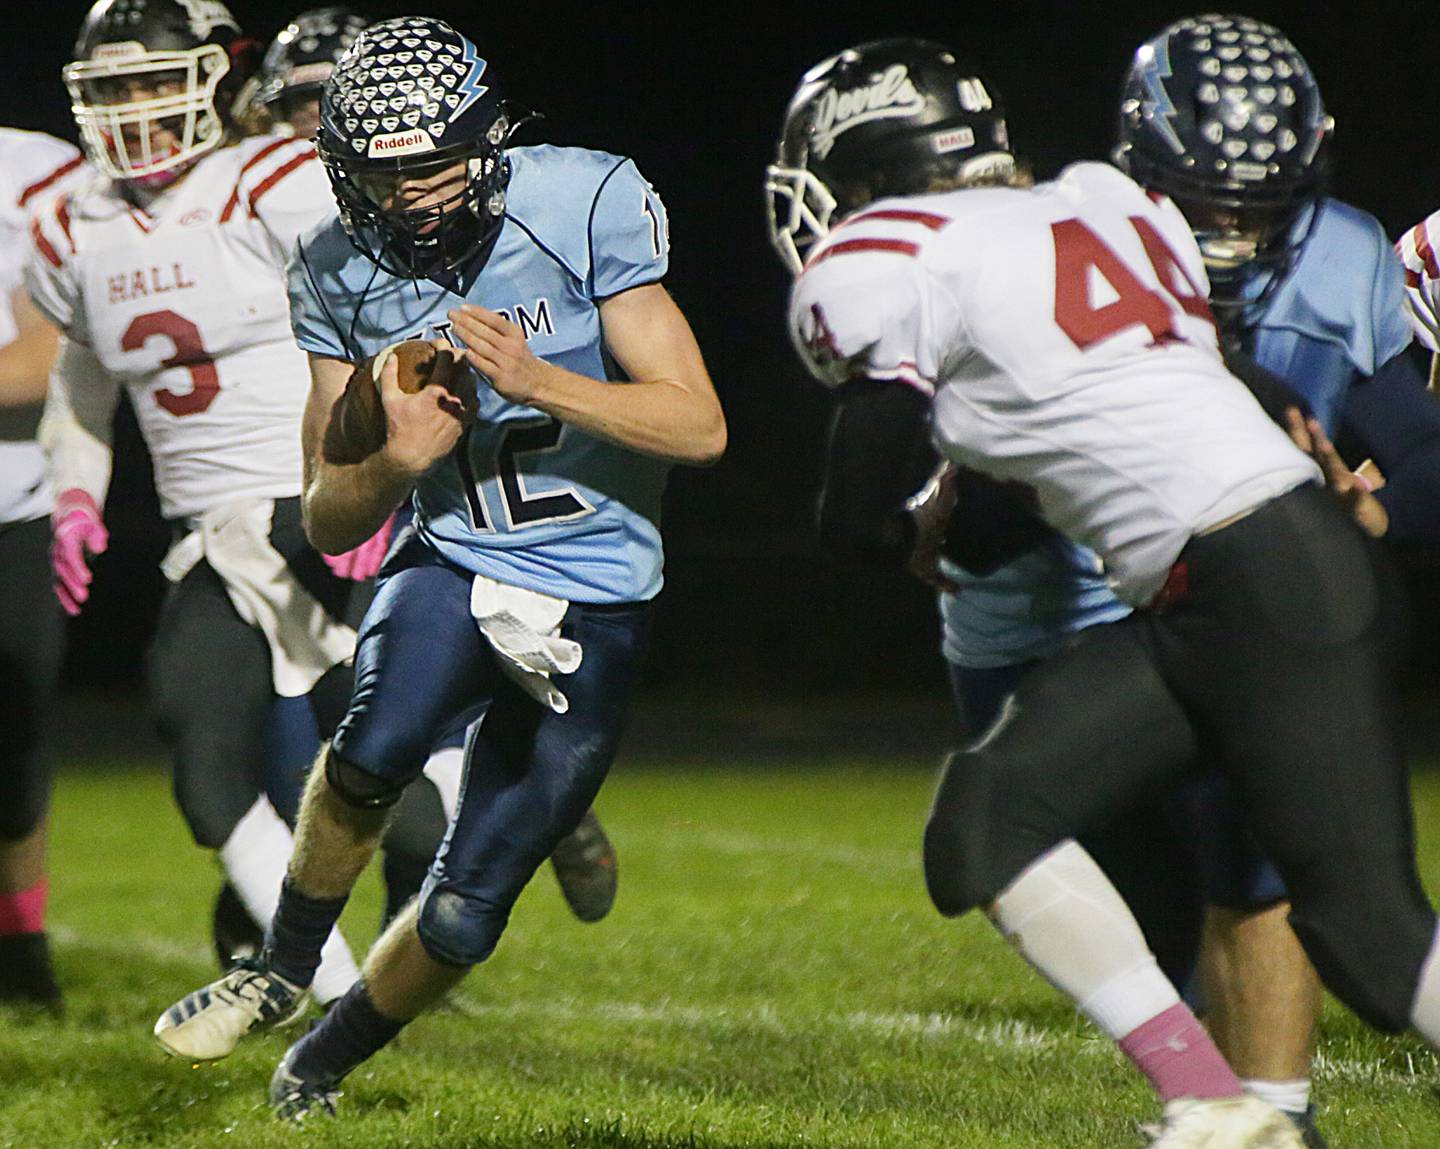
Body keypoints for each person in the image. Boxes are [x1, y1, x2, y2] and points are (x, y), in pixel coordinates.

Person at [767, 37, 1440, 1149]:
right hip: (1241, 583)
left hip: (1258, 586)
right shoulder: (1091, 205)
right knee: (986, 823)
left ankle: (1227, 1104)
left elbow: (852, 518)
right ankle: (1211, 1103)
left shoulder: (892, 250)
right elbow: (1221, 378)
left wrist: (909, 525)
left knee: (1368, 938)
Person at [152, 15, 725, 1123]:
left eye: (436, 164)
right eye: (384, 172)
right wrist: (394, 463)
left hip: (597, 587)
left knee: (466, 911)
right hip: (453, 551)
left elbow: (698, 427)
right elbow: (324, 516)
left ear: (490, 142)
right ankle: (278, 967)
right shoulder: (332, 266)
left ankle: (319, 1058)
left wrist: (541, 380)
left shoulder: (584, 201)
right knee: (369, 750)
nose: (412, 193)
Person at [27, 0, 369, 1007]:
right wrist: (79, 500)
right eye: (114, 85)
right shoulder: (70, 224)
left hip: (329, 513)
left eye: (150, 79)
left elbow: (377, 327)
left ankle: (532, 813)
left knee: (407, 787)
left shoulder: (274, 179)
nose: (134, 106)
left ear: (213, 75)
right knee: (200, 756)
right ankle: (338, 1001)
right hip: (212, 539)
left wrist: (374, 478)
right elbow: (77, 389)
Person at [0, 127, 88, 1013]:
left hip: (14, 499)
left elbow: (43, 355)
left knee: (15, 745)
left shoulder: (32, 173)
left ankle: (20, 940)